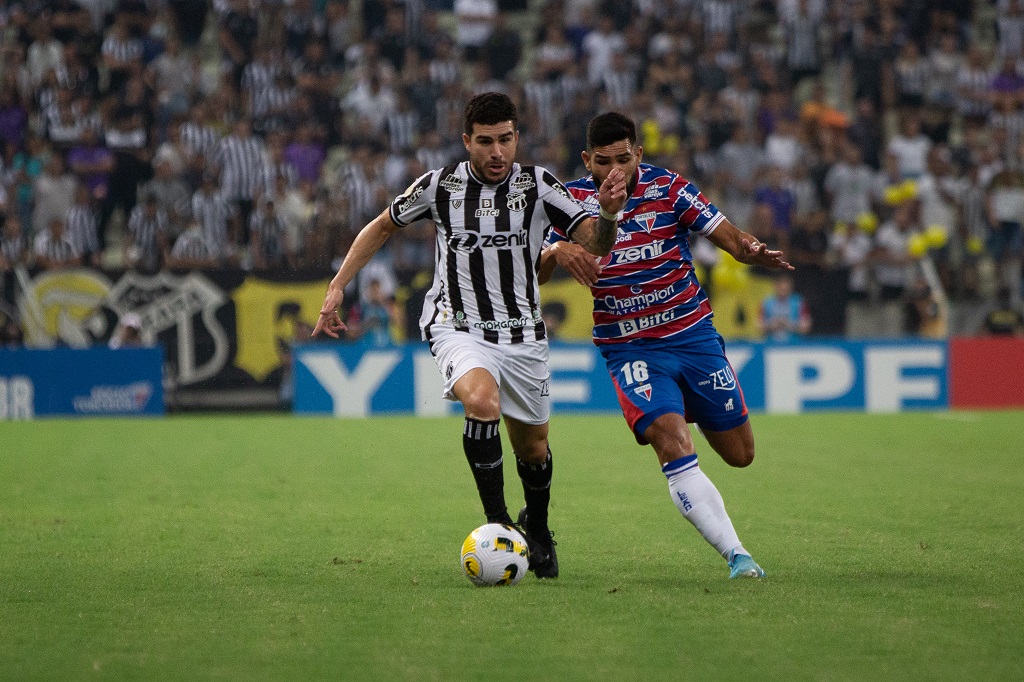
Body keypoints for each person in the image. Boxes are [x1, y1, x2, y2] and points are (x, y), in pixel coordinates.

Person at [312, 93, 626, 579]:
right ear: (466, 141)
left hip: (523, 334)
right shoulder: (439, 186)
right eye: (485, 142)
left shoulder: (539, 185)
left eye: (505, 140)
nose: (497, 152)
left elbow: (596, 242)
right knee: (481, 401)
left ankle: (538, 528)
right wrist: (337, 286)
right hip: (457, 325)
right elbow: (381, 226)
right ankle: (500, 525)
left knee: (534, 450)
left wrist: (607, 214)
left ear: (517, 138)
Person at [540, 112, 793, 580]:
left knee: (740, 454)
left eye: (623, 159)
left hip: (693, 337)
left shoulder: (670, 188)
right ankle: (738, 556)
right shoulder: (569, 202)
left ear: (638, 153)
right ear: (587, 161)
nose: (614, 170)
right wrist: (555, 250)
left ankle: (681, 403)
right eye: (603, 162)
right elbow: (533, 273)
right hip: (631, 348)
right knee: (672, 442)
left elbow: (731, 238)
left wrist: (752, 250)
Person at [759, 273, 812, 341]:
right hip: (771, 343)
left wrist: (789, 325)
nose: (783, 290)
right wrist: (771, 325)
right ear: (775, 286)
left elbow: (806, 327)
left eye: (786, 288)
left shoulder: (799, 302)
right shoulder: (766, 302)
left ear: (791, 287)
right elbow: (759, 326)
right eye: (781, 288)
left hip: (794, 343)